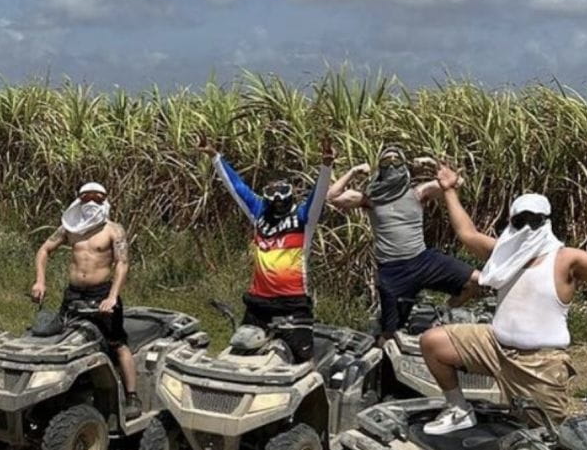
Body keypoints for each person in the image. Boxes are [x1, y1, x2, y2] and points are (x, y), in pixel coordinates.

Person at [420, 162, 587, 435]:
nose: (527, 227)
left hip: (538, 364)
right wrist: (448, 190)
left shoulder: (566, 259)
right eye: (521, 220)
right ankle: (459, 410)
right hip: (493, 346)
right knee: (433, 342)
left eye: (535, 220)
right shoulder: (505, 255)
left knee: (548, 435)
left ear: (546, 221)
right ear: (511, 221)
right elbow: (467, 234)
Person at [197, 133, 332, 363]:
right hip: (259, 302)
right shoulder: (259, 213)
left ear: (291, 192)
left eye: (283, 191)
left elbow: (318, 196)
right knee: (242, 354)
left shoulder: (303, 218)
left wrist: (326, 165)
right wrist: (214, 156)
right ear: (265, 194)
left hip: (293, 302)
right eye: (272, 192)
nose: (278, 197)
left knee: (302, 361)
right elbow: (236, 187)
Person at [327, 145, 479, 342]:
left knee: (476, 281)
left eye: (395, 160)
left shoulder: (418, 193)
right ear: (379, 166)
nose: (391, 165)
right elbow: (332, 197)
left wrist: (432, 163)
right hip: (392, 270)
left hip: (423, 260)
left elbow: (457, 182)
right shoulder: (371, 199)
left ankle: (442, 313)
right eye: (386, 162)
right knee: (390, 333)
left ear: (404, 165)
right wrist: (354, 171)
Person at [31, 182, 141, 419]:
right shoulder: (70, 228)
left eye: (97, 198)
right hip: (73, 293)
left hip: (101, 293)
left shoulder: (113, 230)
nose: (91, 202)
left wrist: (112, 296)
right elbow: (44, 250)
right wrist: (40, 281)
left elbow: (122, 263)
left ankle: (132, 395)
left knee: (117, 343)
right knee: (59, 338)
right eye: (86, 197)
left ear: (105, 200)